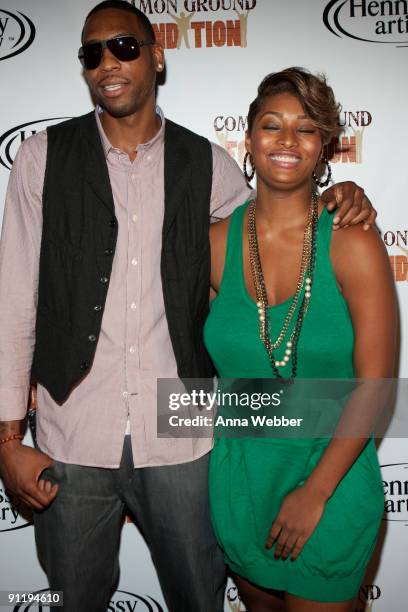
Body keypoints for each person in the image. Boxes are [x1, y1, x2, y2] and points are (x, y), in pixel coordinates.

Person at [0, 0, 376, 609]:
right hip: (71, 434)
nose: (106, 63)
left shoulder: (209, 162)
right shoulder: (41, 159)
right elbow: (14, 299)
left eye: (122, 46)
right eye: (90, 53)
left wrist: (342, 194)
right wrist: (7, 439)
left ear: (157, 56)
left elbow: (276, 222)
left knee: (201, 598)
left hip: (185, 433)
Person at [205, 68, 397, 611]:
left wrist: (315, 493)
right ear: (249, 138)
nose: (287, 140)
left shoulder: (352, 240)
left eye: (306, 129)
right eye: (272, 125)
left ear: (324, 146)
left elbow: (377, 382)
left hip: (330, 481)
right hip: (241, 485)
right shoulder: (214, 245)